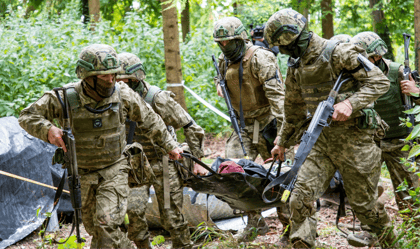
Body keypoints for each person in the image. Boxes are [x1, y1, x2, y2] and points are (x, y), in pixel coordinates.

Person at [18, 44, 182, 248]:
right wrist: (48, 129)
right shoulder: (66, 98)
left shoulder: (123, 94)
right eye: (104, 76)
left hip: (115, 169)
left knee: (106, 225)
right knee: (97, 232)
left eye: (113, 74)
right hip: (83, 174)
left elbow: (150, 119)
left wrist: (170, 146)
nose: (111, 80)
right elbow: (27, 115)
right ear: (87, 77)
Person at [265, 9, 397, 248]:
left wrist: (350, 103)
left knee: (366, 208)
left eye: (287, 46)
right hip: (318, 142)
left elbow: (379, 82)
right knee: (299, 199)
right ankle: (302, 242)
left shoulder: (340, 52)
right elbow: (293, 110)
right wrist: (281, 142)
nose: (285, 52)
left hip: (355, 141)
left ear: (297, 37)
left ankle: (393, 244)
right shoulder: (296, 65)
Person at [213, 17, 291, 243]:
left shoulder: (261, 58)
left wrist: (282, 137)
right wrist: (220, 85)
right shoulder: (222, 60)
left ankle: (291, 229)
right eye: (221, 43)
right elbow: (221, 81)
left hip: (268, 124)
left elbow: (279, 99)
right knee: (231, 172)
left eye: (229, 42)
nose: (225, 47)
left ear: (241, 38)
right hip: (242, 126)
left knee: (281, 177)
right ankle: (254, 222)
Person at [117, 52, 206, 249]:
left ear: (135, 79)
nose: (119, 84)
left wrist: (198, 160)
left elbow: (191, 126)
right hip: (135, 167)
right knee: (133, 211)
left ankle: (182, 246)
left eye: (123, 80)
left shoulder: (156, 98)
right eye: (116, 80)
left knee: (171, 215)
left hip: (163, 164)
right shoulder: (114, 99)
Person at [347, 31, 420, 245]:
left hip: (400, 142)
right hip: (370, 142)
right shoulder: (355, 77)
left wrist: (416, 92)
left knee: (408, 194)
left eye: (369, 57)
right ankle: (372, 232)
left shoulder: (398, 71)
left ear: (377, 56)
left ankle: (417, 235)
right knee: (365, 192)